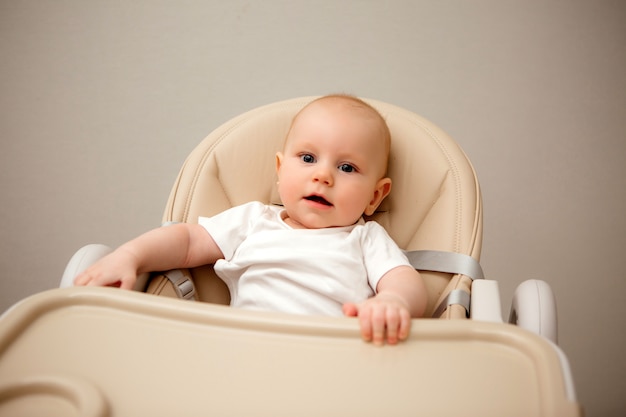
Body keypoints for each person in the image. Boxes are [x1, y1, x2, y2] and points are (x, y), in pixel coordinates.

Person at [75, 95, 428, 346]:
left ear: (375, 196)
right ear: (280, 170)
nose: (323, 176)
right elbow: (185, 243)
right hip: (244, 348)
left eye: (347, 167)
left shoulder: (365, 238)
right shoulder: (254, 220)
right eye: (307, 158)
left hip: (333, 356)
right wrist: (130, 256)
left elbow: (404, 280)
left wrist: (393, 302)